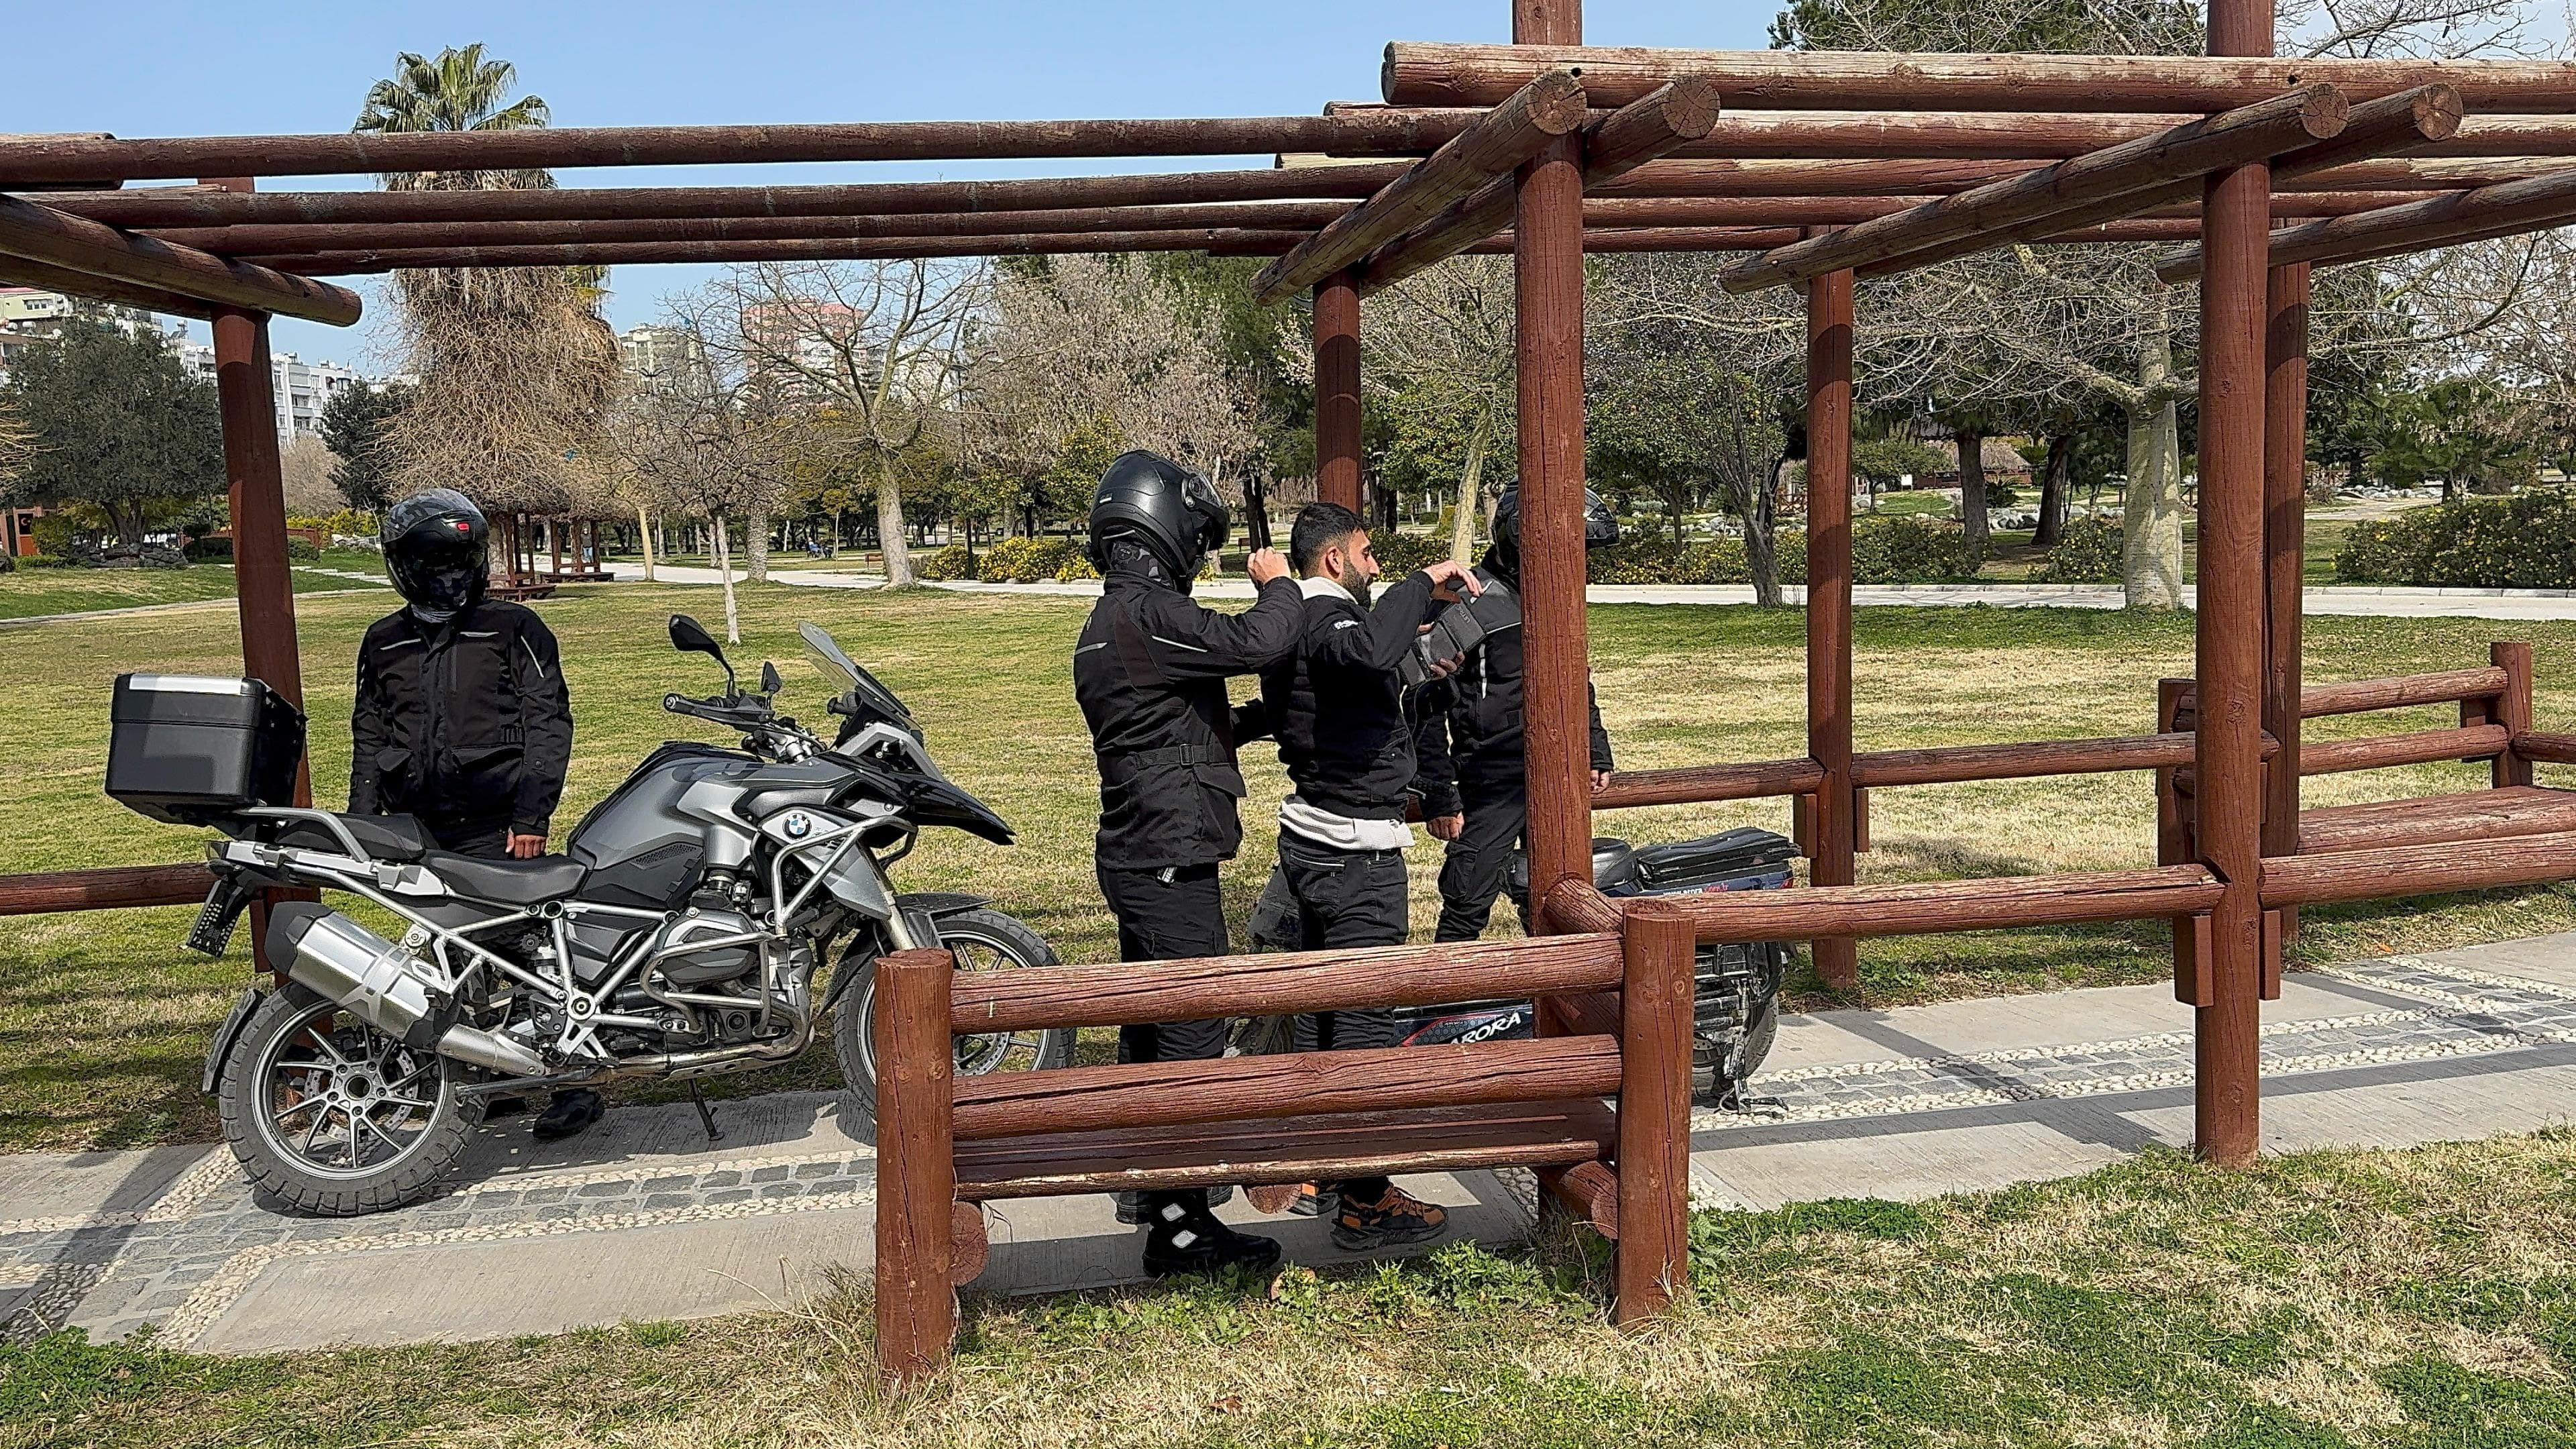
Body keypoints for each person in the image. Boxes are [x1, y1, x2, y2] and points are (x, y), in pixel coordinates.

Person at [1072, 450, 1301, 1279]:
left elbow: (1157, 732)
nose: (1200, 559)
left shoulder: (1113, 620)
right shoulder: (1147, 611)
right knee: (1193, 1034)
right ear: (1162, 528)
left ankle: (1154, 1193)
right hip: (1167, 857)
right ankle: (1181, 1233)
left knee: (1151, 1027)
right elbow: (1258, 637)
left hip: (1142, 851)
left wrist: (1243, 727)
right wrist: (1276, 581)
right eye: (1197, 542)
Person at [1235, 502, 1479, 1250]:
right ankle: (1364, 1198)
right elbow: (1367, 651)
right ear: (1336, 561)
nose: (1377, 568)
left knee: (1320, 1013)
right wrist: (1424, 580)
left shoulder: (1288, 625)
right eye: (1370, 556)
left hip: (1308, 841)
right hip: (1356, 857)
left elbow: (1348, 681)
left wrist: (1419, 653)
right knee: (1365, 1025)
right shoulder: (1329, 619)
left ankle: (1319, 1168)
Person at [349, 489, 597, 1140]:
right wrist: (361, 824)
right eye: (431, 561)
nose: (446, 574)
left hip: (502, 826)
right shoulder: (382, 643)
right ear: (403, 565)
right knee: (445, 960)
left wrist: (532, 816)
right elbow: (369, 736)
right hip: (418, 829)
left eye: (458, 559)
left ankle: (571, 1081)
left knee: (530, 954)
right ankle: (486, 1077)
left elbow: (550, 724)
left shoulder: (516, 629)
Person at [1414, 487, 1620, 943]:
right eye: (1568, 549)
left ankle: (1555, 1004)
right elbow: (1424, 702)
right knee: (1467, 900)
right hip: (1490, 777)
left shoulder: (1557, 599)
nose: (1576, 563)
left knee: (1559, 899)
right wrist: (1439, 792)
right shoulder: (1463, 598)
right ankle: (1446, 1004)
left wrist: (1594, 748)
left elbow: (1575, 681)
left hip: (1558, 774)